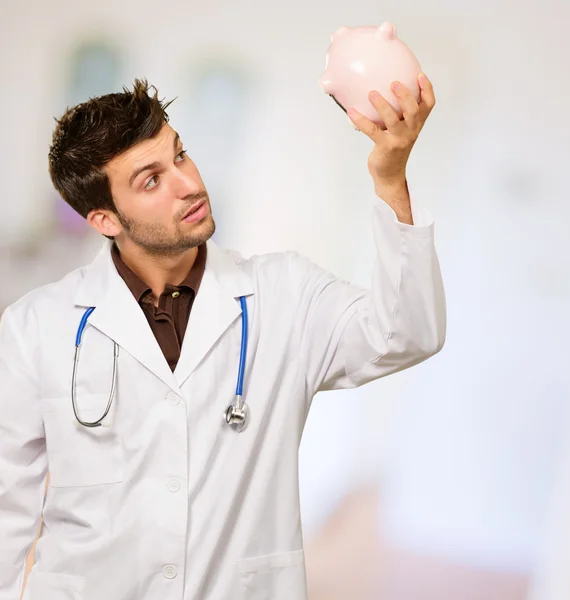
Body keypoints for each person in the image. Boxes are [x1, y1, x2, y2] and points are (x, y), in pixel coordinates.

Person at [0, 76, 446, 600]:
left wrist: (392, 180)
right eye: (151, 181)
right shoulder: (35, 327)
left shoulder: (284, 294)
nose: (188, 183)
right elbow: (8, 506)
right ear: (104, 219)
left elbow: (410, 332)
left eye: (180, 156)